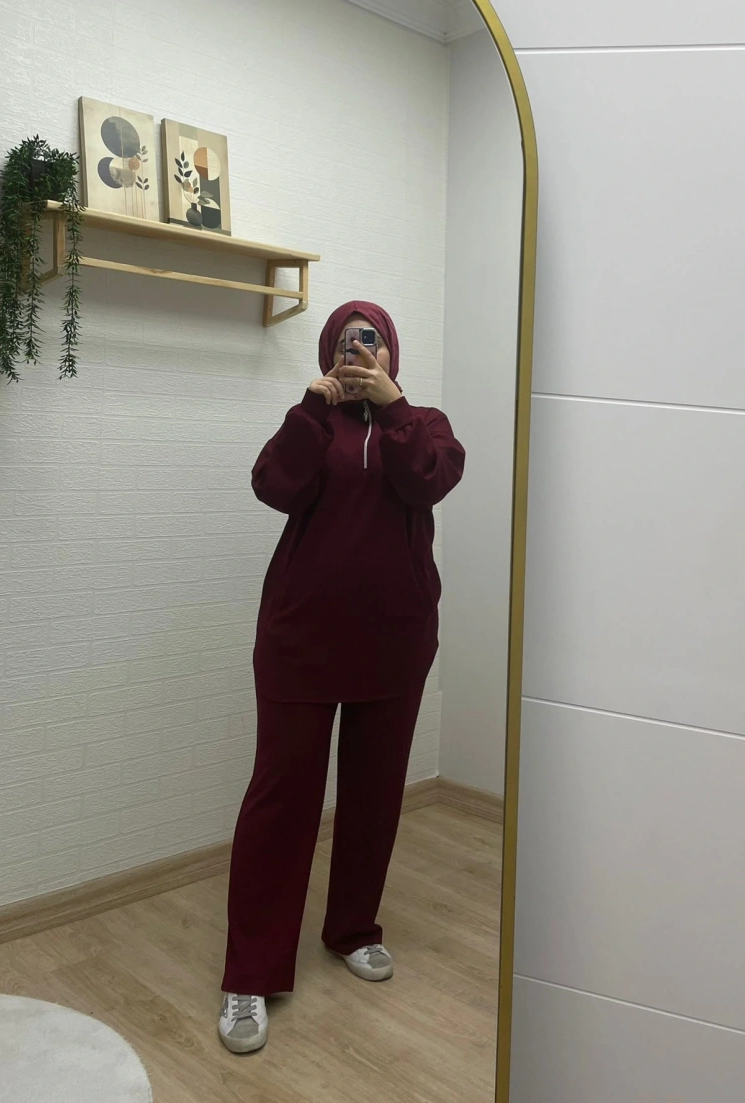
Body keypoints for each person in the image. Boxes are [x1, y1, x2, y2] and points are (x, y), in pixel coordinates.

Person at [218, 300, 465, 1054]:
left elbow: (429, 480)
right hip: (300, 641)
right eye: (346, 341)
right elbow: (274, 486)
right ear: (329, 353)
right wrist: (310, 412)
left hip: (394, 642)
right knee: (280, 802)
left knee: (374, 795)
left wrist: (393, 408)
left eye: (373, 340)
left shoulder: (423, 423)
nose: (359, 350)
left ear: (392, 354)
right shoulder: (311, 421)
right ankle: (250, 972)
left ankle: (353, 929)